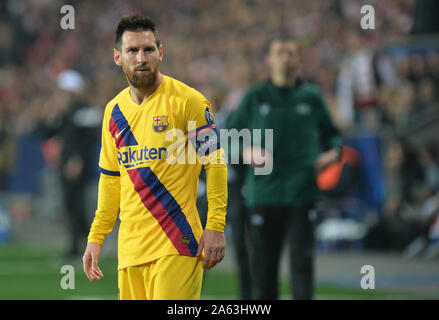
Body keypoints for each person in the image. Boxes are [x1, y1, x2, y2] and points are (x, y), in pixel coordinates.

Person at [82, 14, 228, 300]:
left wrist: (215, 226)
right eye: (132, 51)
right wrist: (96, 237)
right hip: (130, 252)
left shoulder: (190, 102)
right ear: (117, 57)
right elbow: (110, 180)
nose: (141, 58)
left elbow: (215, 163)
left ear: (161, 53)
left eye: (148, 49)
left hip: (178, 243)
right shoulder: (113, 112)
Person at [227, 34, 343, 300]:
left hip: (302, 193)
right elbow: (226, 138)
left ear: (299, 61)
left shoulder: (311, 97)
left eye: (291, 53)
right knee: (264, 270)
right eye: (280, 52)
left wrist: (333, 153)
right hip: (263, 195)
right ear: (269, 60)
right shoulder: (255, 97)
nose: (286, 58)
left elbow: (333, 135)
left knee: (302, 265)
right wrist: (244, 151)